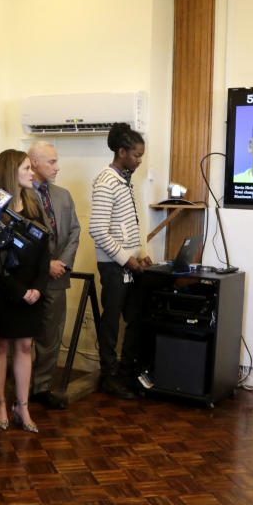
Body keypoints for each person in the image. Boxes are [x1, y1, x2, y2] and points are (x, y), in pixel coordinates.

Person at [89, 122, 152, 400]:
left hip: (127, 264)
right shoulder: (106, 181)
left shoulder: (124, 180)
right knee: (111, 323)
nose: (140, 160)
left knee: (135, 319)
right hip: (113, 267)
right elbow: (98, 230)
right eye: (137, 155)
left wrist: (138, 255)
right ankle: (109, 376)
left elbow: (124, 227)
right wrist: (127, 260)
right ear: (122, 151)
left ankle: (127, 373)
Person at [0, 150, 50, 434]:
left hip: (32, 289)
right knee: (0, 346)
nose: (32, 173)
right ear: (11, 171)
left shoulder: (34, 204)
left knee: (25, 346)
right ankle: (0, 403)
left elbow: (44, 253)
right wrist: (18, 291)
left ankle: (22, 406)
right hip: (6, 290)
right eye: (26, 168)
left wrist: (37, 287)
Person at [28, 141, 80, 410]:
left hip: (58, 276)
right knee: (24, 337)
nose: (57, 167)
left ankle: (42, 386)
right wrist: (45, 264)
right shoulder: (19, 194)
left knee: (52, 335)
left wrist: (62, 263)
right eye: (52, 162)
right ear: (33, 162)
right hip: (29, 277)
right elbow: (21, 237)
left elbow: (74, 232)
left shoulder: (63, 195)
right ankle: (21, 387)